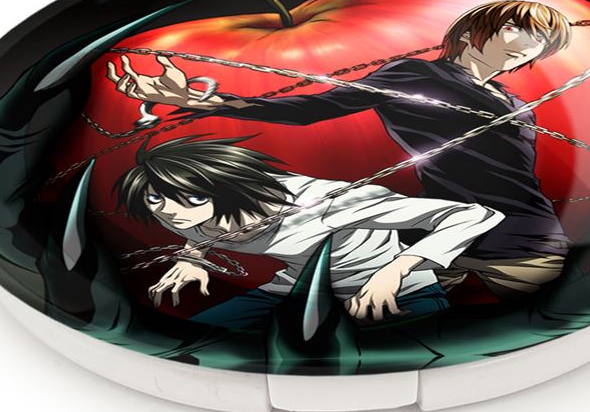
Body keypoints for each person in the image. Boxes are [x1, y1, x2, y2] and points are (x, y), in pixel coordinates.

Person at [108, 0, 571, 300]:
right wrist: (208, 101)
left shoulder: (511, 100)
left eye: (541, 40)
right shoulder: (414, 76)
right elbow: (313, 109)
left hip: (524, 235)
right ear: (472, 32)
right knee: (401, 326)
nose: (529, 45)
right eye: (515, 29)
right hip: (433, 229)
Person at [113, 136, 502, 330]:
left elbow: (471, 215)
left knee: (415, 354)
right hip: (294, 290)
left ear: (227, 189)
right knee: (200, 337)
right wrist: (193, 258)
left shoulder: (331, 203)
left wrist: (395, 270)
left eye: (193, 198)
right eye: (155, 199)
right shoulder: (174, 210)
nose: (171, 212)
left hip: (396, 290)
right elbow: (194, 226)